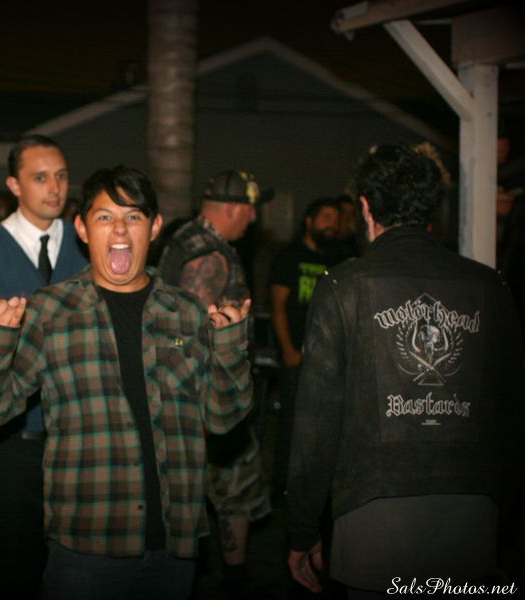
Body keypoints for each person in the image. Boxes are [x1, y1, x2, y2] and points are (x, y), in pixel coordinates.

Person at [0, 165, 252, 600]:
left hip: (174, 544)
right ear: (82, 228)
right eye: (104, 217)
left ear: (154, 227)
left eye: (133, 216)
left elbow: (222, 420)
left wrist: (230, 348)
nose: (119, 229)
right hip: (87, 545)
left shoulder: (188, 312)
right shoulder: (49, 310)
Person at [287, 143, 524, 597]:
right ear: (430, 207)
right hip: (470, 517)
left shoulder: (344, 285)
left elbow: (316, 425)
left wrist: (302, 528)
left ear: (365, 207)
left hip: (374, 519)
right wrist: (500, 511)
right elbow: (514, 415)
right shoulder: (490, 286)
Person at [0, 134, 87, 599]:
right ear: (14, 185)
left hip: (77, 435)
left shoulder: (85, 242)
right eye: (40, 178)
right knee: (14, 570)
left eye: (61, 176)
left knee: (77, 570)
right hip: (12, 439)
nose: (54, 188)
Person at [157, 170, 272, 597]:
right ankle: (232, 581)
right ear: (231, 209)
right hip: (206, 401)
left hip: (192, 401)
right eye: (250, 208)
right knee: (232, 490)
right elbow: (188, 335)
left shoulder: (186, 238)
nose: (254, 218)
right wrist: (204, 409)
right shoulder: (210, 256)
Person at [267, 197, 342, 497]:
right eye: (325, 217)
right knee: (291, 424)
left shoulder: (339, 258)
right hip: (297, 355)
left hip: (329, 358)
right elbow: (277, 307)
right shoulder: (290, 257)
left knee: (325, 426)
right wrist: (289, 351)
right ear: (309, 221)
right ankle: (283, 487)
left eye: (335, 219)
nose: (332, 225)